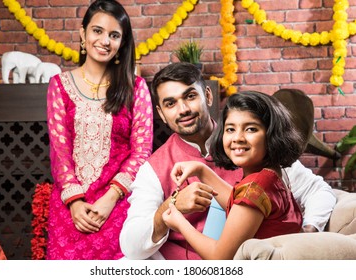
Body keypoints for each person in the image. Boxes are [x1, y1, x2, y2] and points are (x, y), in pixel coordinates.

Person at [119, 62, 336, 260]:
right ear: (162, 114)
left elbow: (319, 192)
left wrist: (307, 236)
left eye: (190, 96)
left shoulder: (254, 151)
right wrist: (171, 206)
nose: (183, 109)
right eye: (170, 103)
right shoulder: (153, 168)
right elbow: (131, 245)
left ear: (208, 96)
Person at [46, 0, 153, 260]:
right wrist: (74, 202)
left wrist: (110, 199)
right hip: (70, 206)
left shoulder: (135, 88)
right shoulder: (59, 85)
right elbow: (60, 152)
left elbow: (141, 152)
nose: (105, 40)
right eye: (97, 31)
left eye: (114, 35)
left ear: (122, 43)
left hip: (120, 203)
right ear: (83, 34)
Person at [162, 90, 304, 259]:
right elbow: (240, 204)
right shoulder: (271, 175)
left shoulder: (256, 187)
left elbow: (219, 258)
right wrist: (201, 170)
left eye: (251, 129)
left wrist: (180, 224)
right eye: (230, 129)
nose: (238, 138)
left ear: (271, 134)